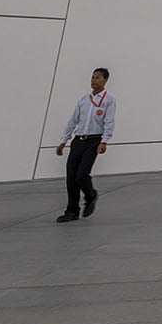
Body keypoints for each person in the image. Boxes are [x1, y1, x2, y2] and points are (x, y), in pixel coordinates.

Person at [54, 67, 115, 223]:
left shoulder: (109, 100)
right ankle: (72, 210)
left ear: (105, 80)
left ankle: (90, 195)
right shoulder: (83, 100)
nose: (94, 80)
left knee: (82, 175)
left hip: (93, 141)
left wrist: (104, 141)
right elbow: (73, 121)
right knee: (71, 177)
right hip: (78, 140)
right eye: (92, 77)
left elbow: (109, 122)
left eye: (98, 77)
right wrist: (63, 140)